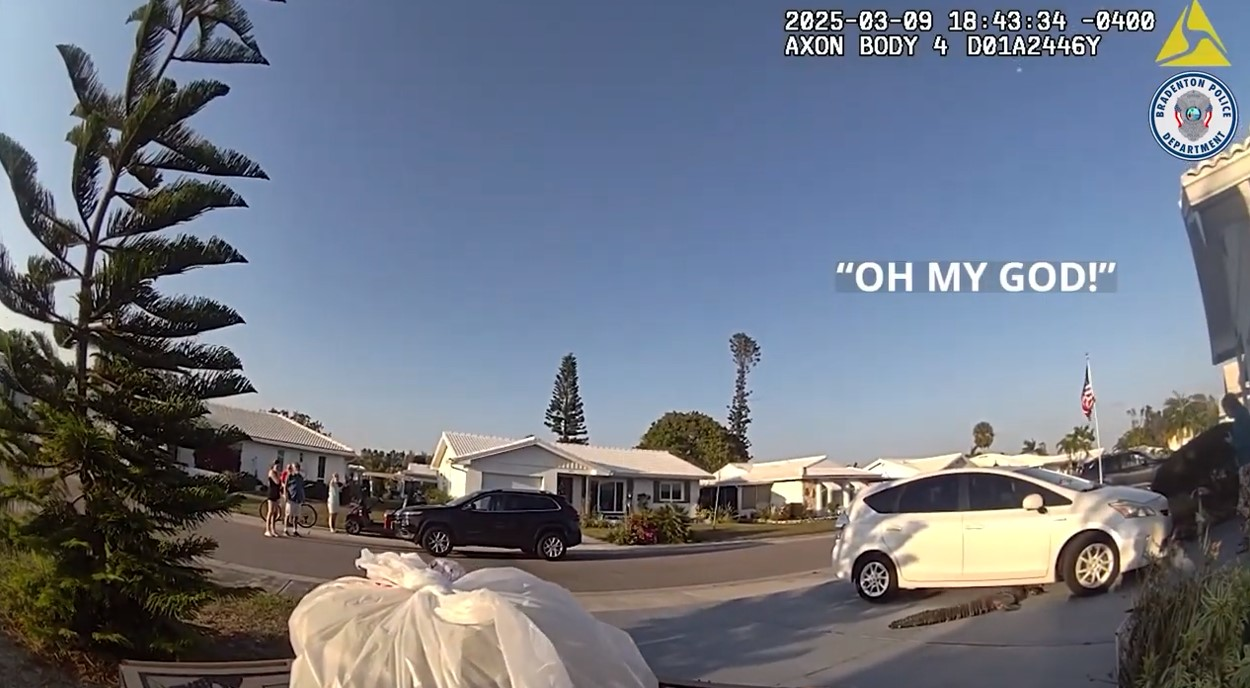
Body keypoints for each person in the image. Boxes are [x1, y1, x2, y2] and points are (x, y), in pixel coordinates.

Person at [285, 463, 307, 537]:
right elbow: (285, 486)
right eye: (295, 467)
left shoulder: (300, 477)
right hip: (291, 498)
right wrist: (286, 495)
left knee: (296, 516)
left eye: (298, 467)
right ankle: (285, 529)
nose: (297, 468)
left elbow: (301, 487)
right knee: (288, 514)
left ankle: (295, 530)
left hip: (298, 498)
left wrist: (303, 497)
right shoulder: (290, 476)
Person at [264, 459, 283, 537]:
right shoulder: (271, 472)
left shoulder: (277, 473)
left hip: (276, 494)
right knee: (270, 511)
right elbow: (277, 482)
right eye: (276, 465)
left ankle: (273, 529)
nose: (278, 467)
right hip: (271, 494)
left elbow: (280, 484)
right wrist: (278, 474)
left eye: (278, 466)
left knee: (275, 513)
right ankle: (267, 530)